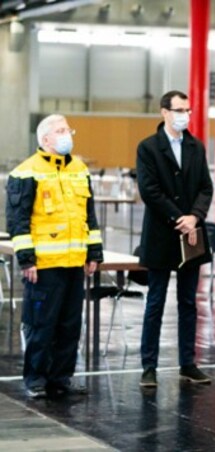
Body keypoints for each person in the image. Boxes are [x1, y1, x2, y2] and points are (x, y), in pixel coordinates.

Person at [6, 114, 103, 398]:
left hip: (75, 262)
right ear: (45, 139)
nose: (67, 135)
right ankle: (36, 379)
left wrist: (93, 252)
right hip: (44, 266)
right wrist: (27, 259)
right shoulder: (26, 172)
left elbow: (90, 216)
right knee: (41, 324)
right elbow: (17, 221)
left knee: (70, 324)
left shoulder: (80, 170)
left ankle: (62, 377)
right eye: (60, 131)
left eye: (67, 130)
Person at [136, 90, 213, 387]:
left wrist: (194, 216)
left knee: (188, 303)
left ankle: (188, 363)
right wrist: (177, 218)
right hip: (161, 234)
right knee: (155, 301)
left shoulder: (196, 147)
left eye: (188, 110)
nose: (184, 115)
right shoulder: (148, 148)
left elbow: (206, 187)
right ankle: (149, 366)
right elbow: (149, 190)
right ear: (164, 112)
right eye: (179, 110)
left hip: (191, 234)